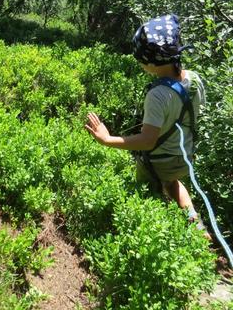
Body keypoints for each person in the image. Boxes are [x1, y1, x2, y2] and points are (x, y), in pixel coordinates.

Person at [85, 14, 209, 236]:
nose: (140, 64)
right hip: (184, 157)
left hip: (158, 162)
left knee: (146, 196)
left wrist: (107, 139)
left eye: (140, 60)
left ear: (151, 62)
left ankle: (153, 235)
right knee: (172, 183)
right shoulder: (195, 79)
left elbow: (148, 140)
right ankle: (195, 222)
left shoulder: (157, 95)